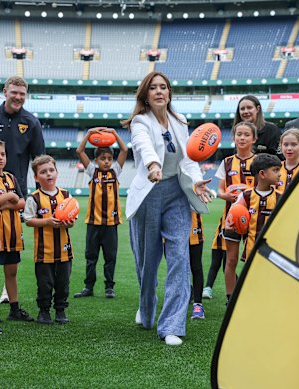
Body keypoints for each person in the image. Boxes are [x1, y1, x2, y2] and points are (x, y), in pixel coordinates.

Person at [123, 71, 212, 346]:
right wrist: (152, 165)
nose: (159, 91)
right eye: (153, 88)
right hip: (150, 191)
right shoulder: (140, 121)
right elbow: (143, 144)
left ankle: (172, 325)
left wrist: (196, 181)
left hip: (177, 193)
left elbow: (189, 159)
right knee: (147, 262)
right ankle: (146, 308)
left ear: (170, 93)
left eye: (164, 87)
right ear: (146, 95)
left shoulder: (181, 121)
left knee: (179, 258)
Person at [0, 140, 33, 322]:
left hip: (13, 234)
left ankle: (14, 309)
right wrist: (9, 198)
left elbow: (21, 202)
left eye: (2, 154)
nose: (0, 158)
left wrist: (4, 202)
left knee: (11, 272)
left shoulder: (11, 177)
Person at [73, 128, 127, 299]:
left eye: (109, 159)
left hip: (111, 224)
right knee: (91, 257)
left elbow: (124, 150)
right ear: (96, 160)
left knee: (110, 257)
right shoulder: (92, 171)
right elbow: (79, 151)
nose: (106, 162)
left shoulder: (115, 171)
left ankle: (109, 287)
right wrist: (89, 134)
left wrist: (114, 133)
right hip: (93, 223)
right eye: (102, 159)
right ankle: (88, 287)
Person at [24, 155, 74, 325]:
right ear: (36, 177)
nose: (48, 174)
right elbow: (28, 220)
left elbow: (71, 222)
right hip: (43, 252)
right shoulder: (34, 198)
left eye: (51, 170)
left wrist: (69, 223)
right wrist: (46, 221)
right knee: (44, 284)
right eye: (43, 172)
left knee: (63, 283)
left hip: (64, 251)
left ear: (57, 173)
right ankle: (44, 311)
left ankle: (60, 310)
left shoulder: (66, 195)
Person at [0, 76, 45, 195]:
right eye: (14, 93)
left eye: (22, 94)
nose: (18, 97)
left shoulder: (32, 122)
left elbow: (40, 160)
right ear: (5, 92)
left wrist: (41, 194)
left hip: (17, 189)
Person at [218, 122, 257, 305]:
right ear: (233, 138)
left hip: (254, 219)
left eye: (246, 135)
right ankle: (230, 298)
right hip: (231, 219)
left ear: (254, 139)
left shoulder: (259, 161)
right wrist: (225, 195)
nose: (242, 138)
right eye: (238, 134)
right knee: (231, 259)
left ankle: (252, 293)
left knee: (252, 259)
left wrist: (245, 195)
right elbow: (220, 190)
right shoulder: (226, 162)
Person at [226, 153, 282, 262]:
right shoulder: (245, 196)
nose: (279, 174)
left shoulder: (281, 197)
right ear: (262, 174)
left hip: (273, 254)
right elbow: (233, 214)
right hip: (250, 252)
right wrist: (229, 224)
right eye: (275, 170)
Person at [276, 128, 299, 193]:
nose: (289, 148)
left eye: (293, 144)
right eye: (285, 145)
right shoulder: (275, 168)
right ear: (281, 146)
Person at [189, 212, 205, 319]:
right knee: (176, 270)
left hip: (193, 228)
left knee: (196, 267)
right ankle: (186, 294)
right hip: (172, 228)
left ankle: (198, 305)